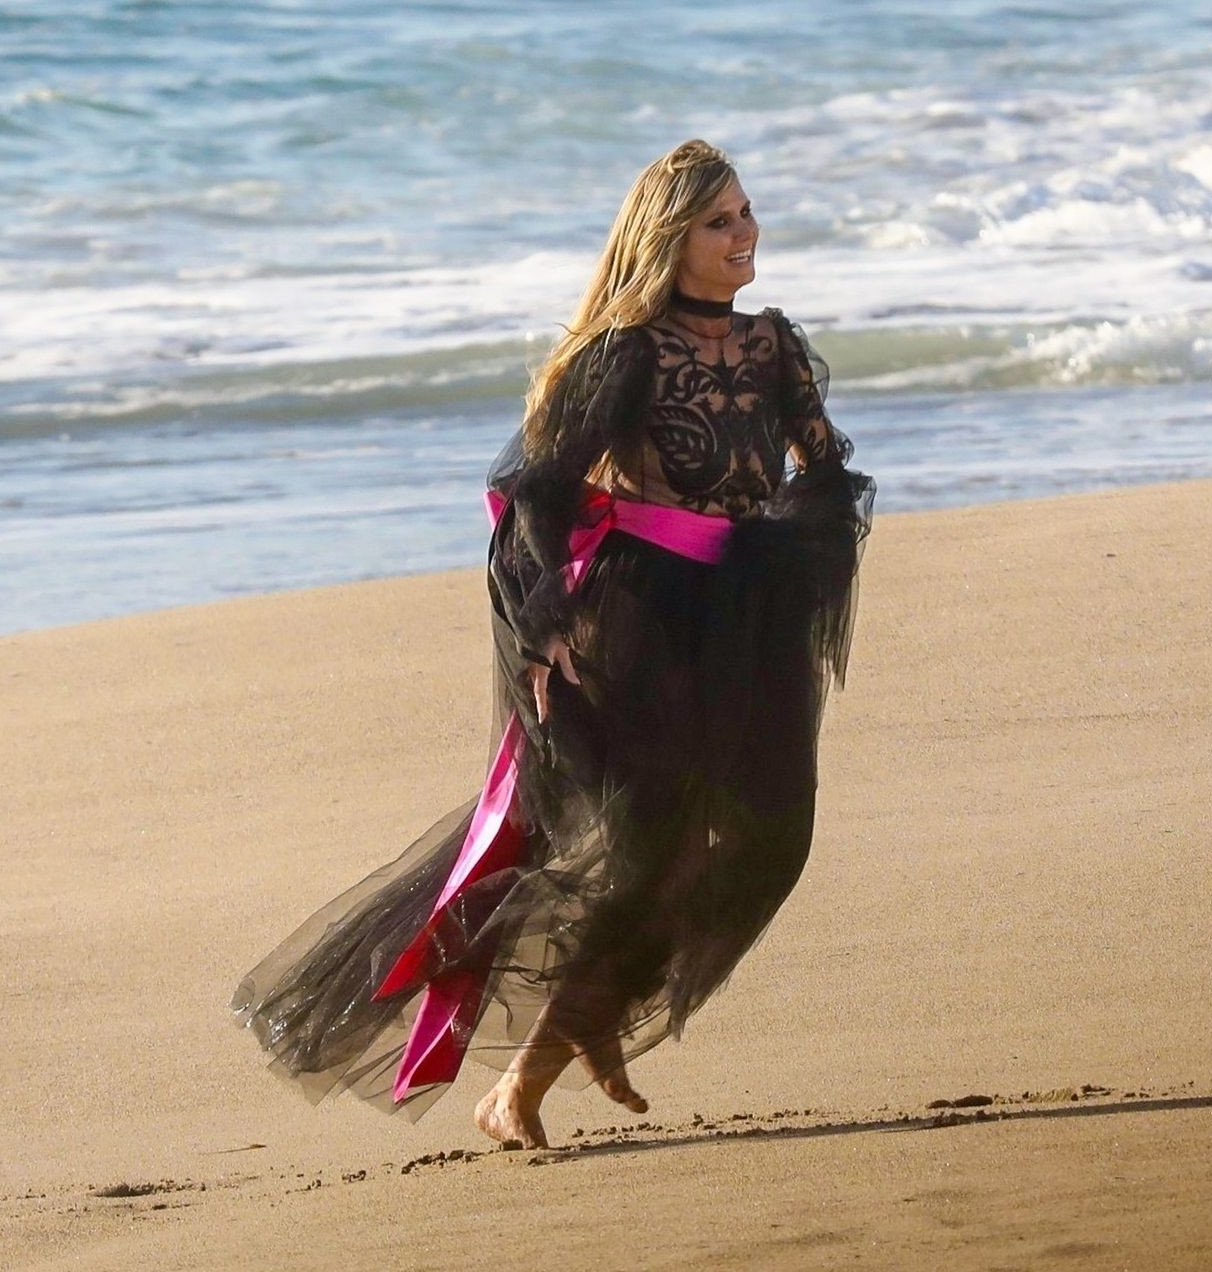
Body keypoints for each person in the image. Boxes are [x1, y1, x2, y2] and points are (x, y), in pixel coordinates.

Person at [229, 138, 875, 1150]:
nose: (744, 233)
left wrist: (797, 543)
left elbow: (824, 463)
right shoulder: (626, 353)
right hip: (644, 617)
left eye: (747, 212)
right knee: (648, 851)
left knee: (772, 841)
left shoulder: (774, 344)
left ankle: (588, 1008)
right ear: (668, 239)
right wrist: (545, 624)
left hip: (748, 613)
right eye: (719, 221)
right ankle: (521, 1082)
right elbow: (537, 489)